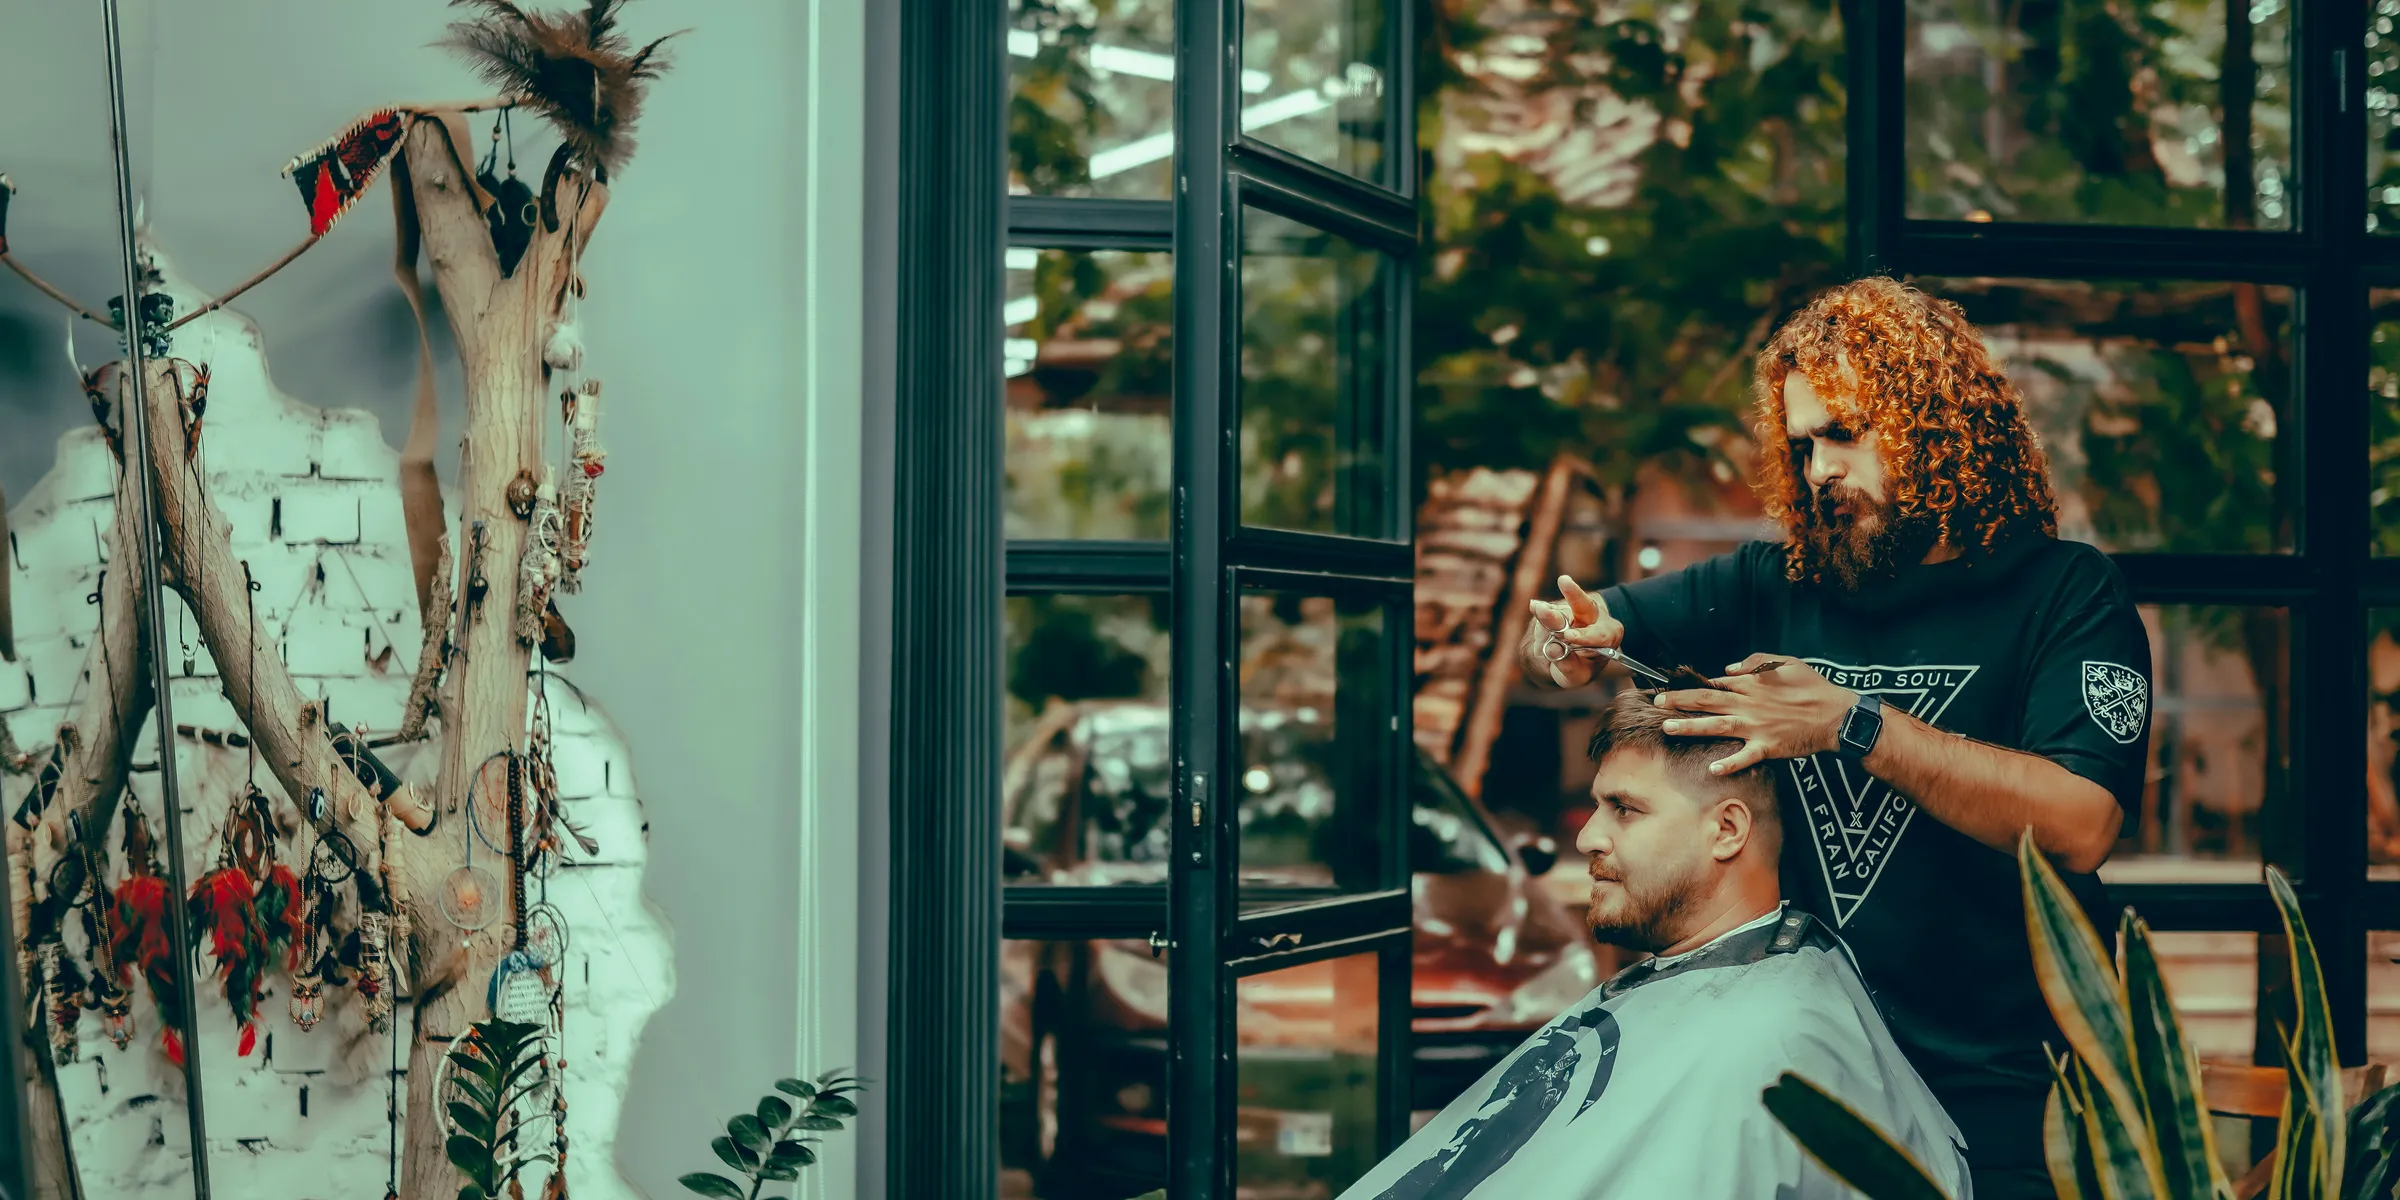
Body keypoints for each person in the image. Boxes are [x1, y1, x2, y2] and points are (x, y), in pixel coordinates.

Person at [1518, 277, 2152, 1200]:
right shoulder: (1773, 582)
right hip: (1819, 1068)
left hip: (2015, 1084)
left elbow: (2082, 823)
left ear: (1938, 425)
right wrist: (1563, 646)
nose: (1818, 469)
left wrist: (1851, 725)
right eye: (1804, 442)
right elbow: (1568, 631)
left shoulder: (2066, 594)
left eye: (1846, 433)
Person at [1340, 691, 1970, 1200]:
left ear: (1726, 830)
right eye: (1596, 807)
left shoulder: (1771, 1042)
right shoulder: (1729, 992)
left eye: (1625, 810)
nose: (1587, 838)